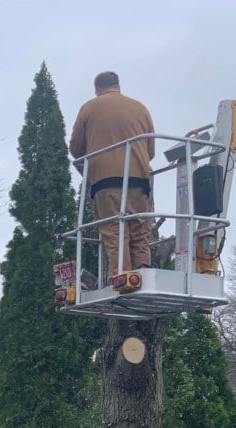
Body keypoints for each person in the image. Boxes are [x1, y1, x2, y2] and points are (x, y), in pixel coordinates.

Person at [69, 71, 155, 280]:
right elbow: (150, 150)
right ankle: (143, 270)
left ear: (97, 89)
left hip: (106, 181)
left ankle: (122, 276)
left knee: (115, 229)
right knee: (139, 229)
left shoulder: (89, 107)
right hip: (140, 180)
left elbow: (75, 148)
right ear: (118, 85)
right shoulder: (140, 108)